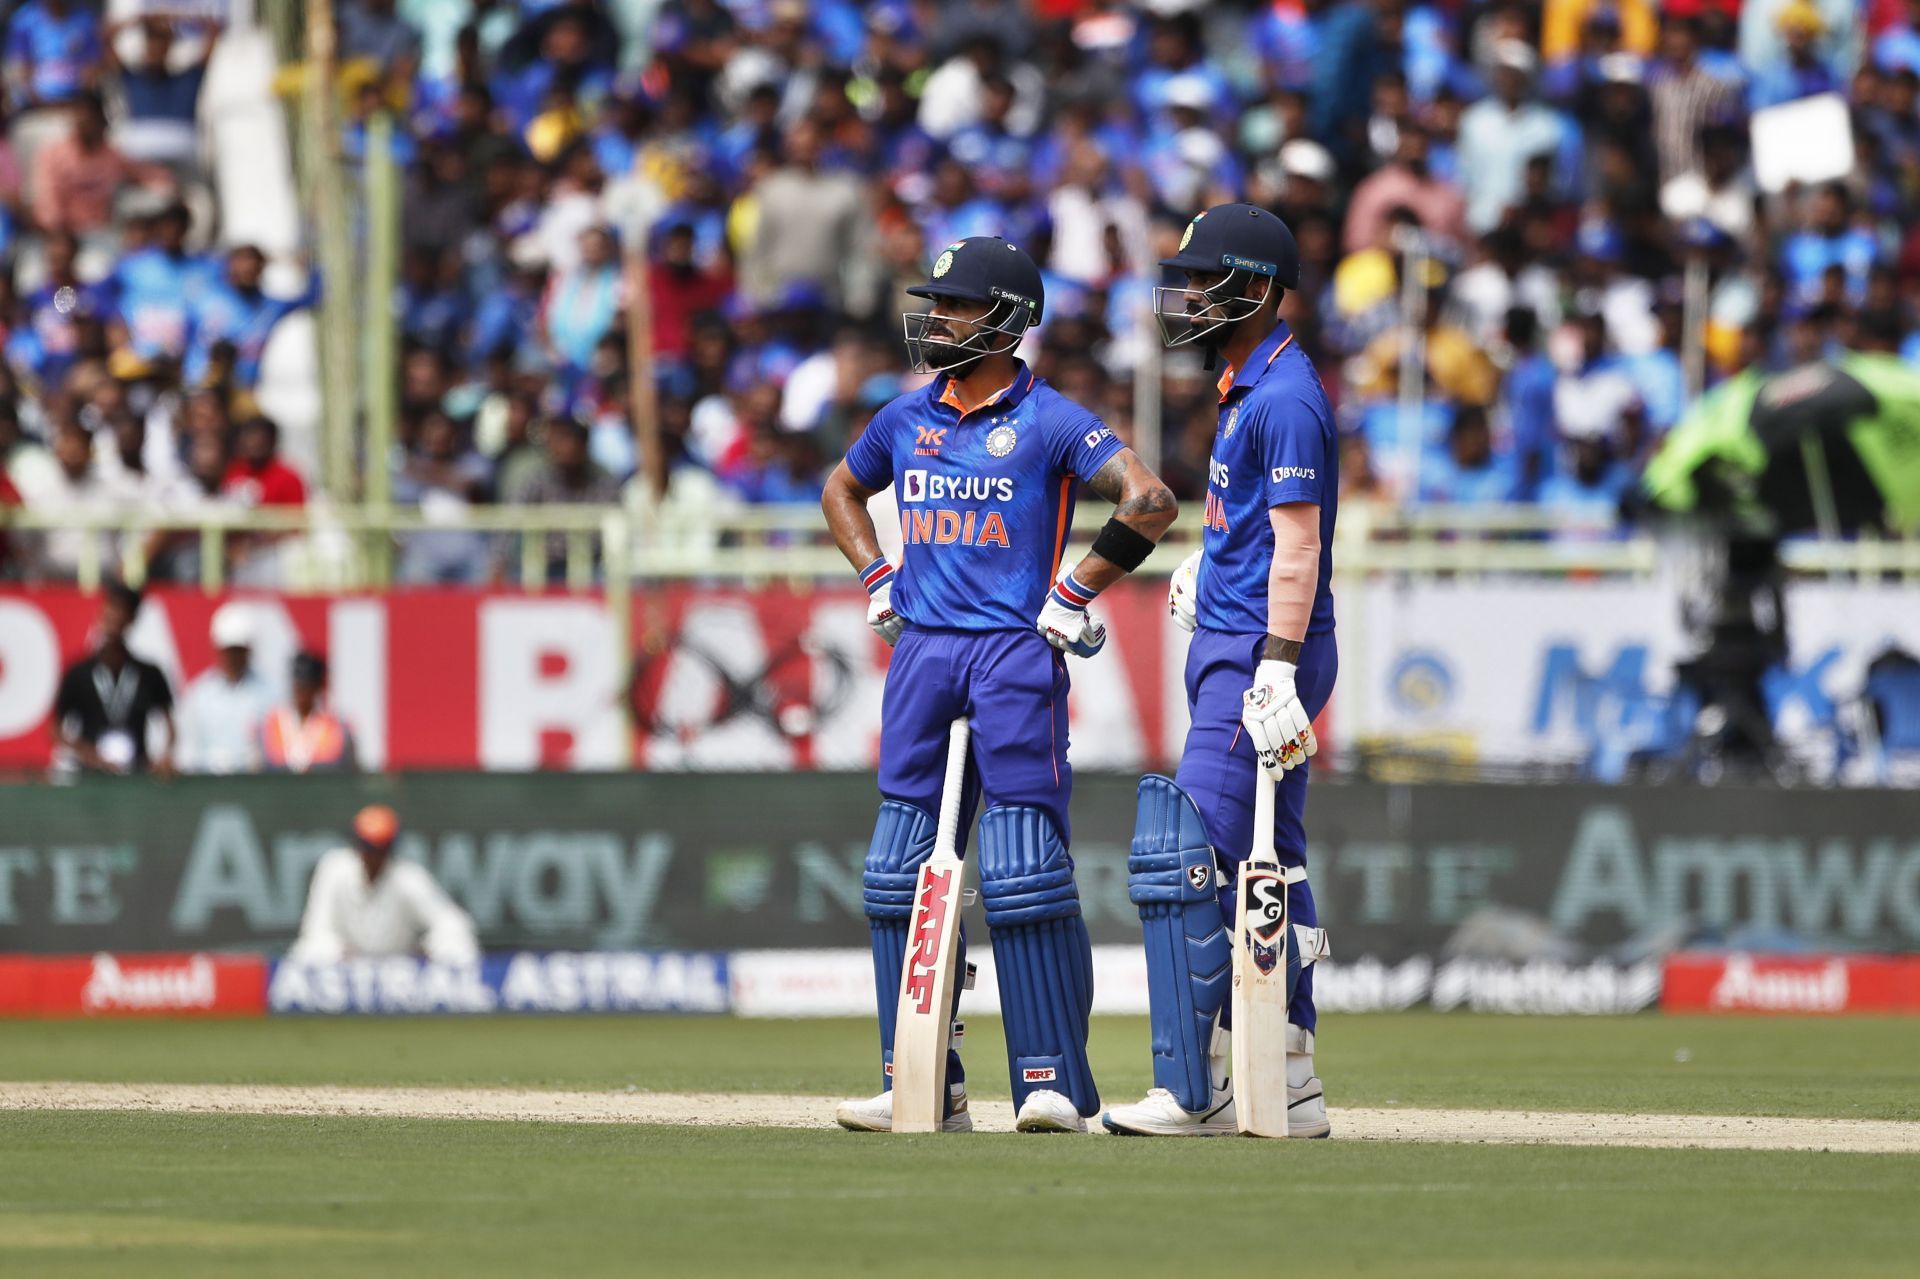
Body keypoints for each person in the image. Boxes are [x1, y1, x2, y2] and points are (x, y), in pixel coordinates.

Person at [821, 236, 1177, 1134]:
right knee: (895, 876)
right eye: (935, 303)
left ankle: (1050, 1080)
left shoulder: (1053, 418)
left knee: (1022, 871)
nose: (936, 318)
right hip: (923, 654)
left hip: (1015, 656)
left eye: (957, 306)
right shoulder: (903, 419)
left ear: (1009, 319)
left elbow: (1148, 499)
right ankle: (918, 1076)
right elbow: (840, 490)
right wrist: (876, 577)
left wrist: (1073, 590)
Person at [1104, 203, 1338, 1139]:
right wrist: (1210, 556)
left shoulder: (1283, 396)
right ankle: (1288, 1066)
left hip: (1257, 651)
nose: (1190, 296)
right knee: (1265, 854)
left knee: (1184, 848)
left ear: (1260, 288)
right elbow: (1254, 528)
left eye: (1208, 280)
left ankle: (1194, 1084)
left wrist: (1275, 667)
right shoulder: (1254, 381)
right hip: (1242, 637)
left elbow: (1301, 544)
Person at [290, 804, 479, 963]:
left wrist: (423, 953)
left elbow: (454, 924)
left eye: (380, 849)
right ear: (357, 846)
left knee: (459, 947)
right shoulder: (334, 868)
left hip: (399, 973)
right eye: (369, 848)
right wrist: (345, 953)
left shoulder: (408, 877)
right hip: (344, 970)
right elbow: (315, 931)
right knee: (307, 952)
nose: (373, 856)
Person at [51, 580, 175, 776]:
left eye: (121, 610)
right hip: (91, 777)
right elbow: (55, 729)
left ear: (132, 619)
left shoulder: (149, 673)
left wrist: (165, 756)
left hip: (137, 775)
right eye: (110, 607)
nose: (113, 616)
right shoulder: (79, 672)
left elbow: (170, 724)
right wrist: (90, 755)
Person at [174, 601, 274, 774]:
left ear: (248, 650)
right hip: (206, 785)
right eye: (228, 650)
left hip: (254, 786)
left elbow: (273, 748)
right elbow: (188, 748)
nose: (232, 657)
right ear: (218, 648)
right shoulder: (199, 693)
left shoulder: (269, 694)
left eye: (238, 650)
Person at [260, 652, 357, 773]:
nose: (302, 692)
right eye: (298, 685)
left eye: (307, 686)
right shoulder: (271, 725)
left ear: (317, 687)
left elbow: (349, 771)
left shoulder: (336, 728)